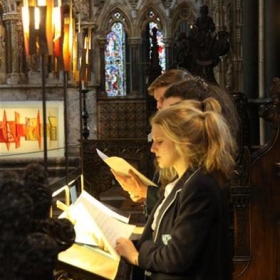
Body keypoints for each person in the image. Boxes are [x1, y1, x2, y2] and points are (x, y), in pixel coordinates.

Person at [115, 98, 236, 280]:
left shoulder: (199, 186)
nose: (152, 148)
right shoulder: (182, 181)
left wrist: (136, 255)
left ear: (182, 142)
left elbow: (176, 257)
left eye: (159, 141)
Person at [112, 75, 240, 216]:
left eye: (172, 112)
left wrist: (145, 192)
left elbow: (179, 219)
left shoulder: (200, 183)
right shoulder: (183, 170)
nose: (153, 148)